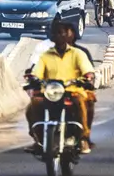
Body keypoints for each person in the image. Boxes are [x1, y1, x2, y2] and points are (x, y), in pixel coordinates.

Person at [25, 20, 96, 153]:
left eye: (61, 33)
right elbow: (36, 72)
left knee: (80, 102)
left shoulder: (78, 53)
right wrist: (33, 79)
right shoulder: (45, 55)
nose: (58, 36)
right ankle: (39, 139)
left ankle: (83, 138)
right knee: (33, 105)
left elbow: (88, 71)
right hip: (51, 93)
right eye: (55, 33)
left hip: (73, 92)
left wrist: (88, 78)